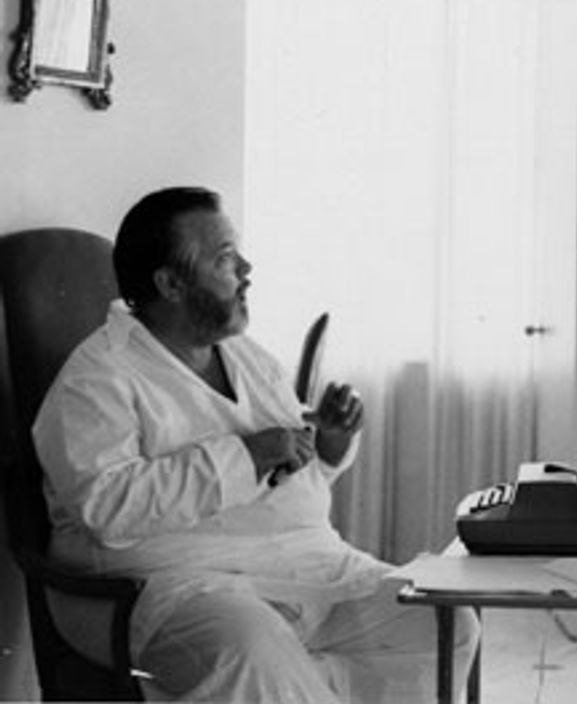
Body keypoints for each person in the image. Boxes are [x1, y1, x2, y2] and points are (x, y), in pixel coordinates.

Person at [33, 186, 479, 703]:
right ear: (171, 283)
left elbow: (288, 478)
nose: (246, 268)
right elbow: (106, 508)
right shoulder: (99, 377)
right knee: (252, 648)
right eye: (225, 258)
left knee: (442, 622)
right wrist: (249, 454)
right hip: (173, 582)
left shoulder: (246, 356)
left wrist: (329, 445)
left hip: (301, 563)